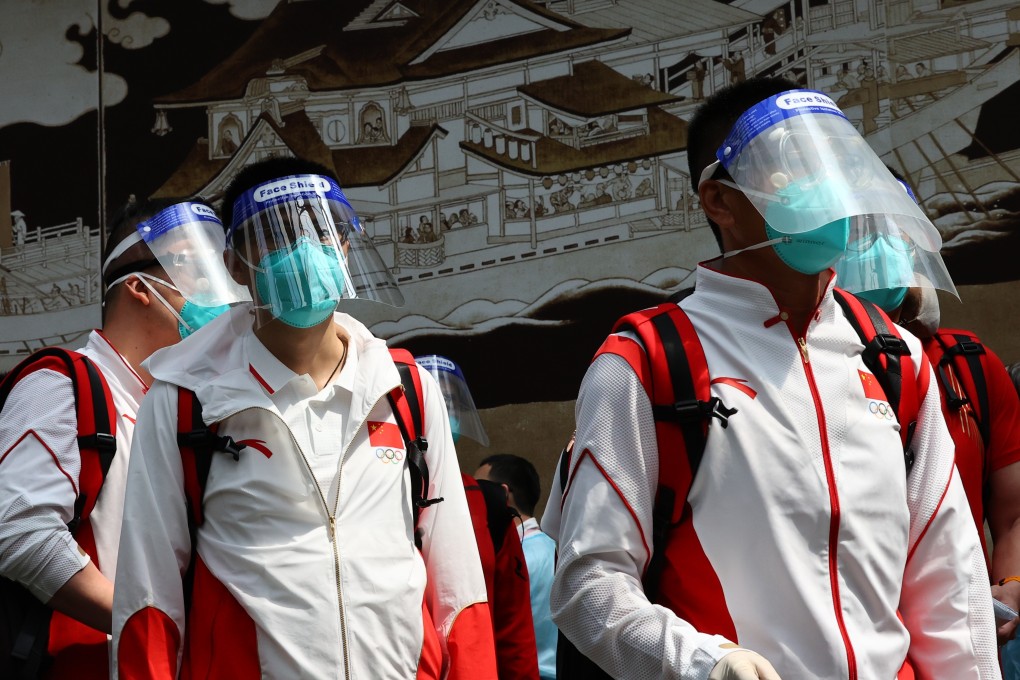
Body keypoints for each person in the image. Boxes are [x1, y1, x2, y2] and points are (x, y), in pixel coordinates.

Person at [542, 76, 999, 679]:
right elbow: (588, 583)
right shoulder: (646, 360)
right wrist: (704, 663)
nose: (826, 183)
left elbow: (950, 580)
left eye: (832, 160)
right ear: (719, 201)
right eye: (790, 165)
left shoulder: (895, 357)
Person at [111, 158, 496, 679]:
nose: (306, 251)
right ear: (236, 266)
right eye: (275, 236)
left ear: (346, 248)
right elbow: (148, 596)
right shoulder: (186, 402)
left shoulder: (404, 391)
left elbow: (459, 591)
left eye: (323, 233)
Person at [0, 197, 244, 679]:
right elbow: (22, 533)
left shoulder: (190, 409)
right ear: (138, 285)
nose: (217, 289)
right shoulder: (62, 383)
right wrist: (151, 628)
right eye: (194, 267)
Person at [833, 171, 1020, 650]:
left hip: (966, 636)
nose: (873, 247)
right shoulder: (791, 374)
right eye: (855, 230)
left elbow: (1013, 513)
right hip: (854, 646)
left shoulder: (968, 364)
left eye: (888, 229)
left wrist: (1009, 588)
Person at [416, 354, 539, 680]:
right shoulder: (379, 498)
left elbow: (515, 630)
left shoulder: (489, 504)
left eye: (452, 401)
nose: (445, 409)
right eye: (433, 397)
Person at [476, 453, 558, 680]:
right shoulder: (555, 550)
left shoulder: (513, 560)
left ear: (502, 493)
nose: (474, 497)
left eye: (480, 488)